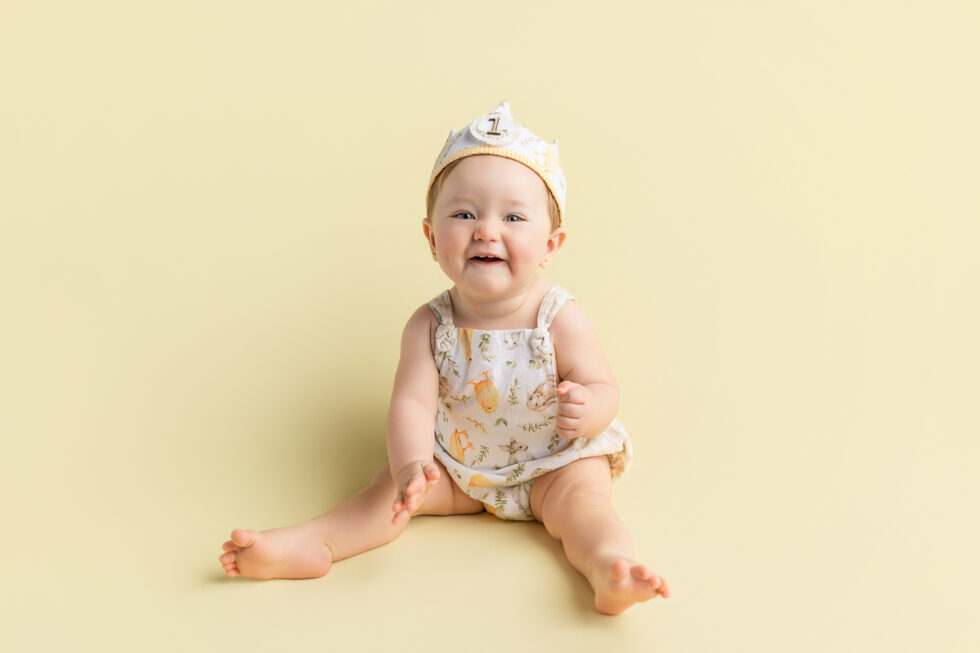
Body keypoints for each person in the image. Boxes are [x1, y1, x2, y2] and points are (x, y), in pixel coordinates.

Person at [218, 101, 671, 614]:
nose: (486, 230)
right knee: (388, 491)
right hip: (459, 467)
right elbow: (411, 405)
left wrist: (589, 407)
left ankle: (611, 568)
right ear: (433, 239)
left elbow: (604, 387)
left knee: (585, 506)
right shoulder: (429, 325)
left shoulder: (557, 316)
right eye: (463, 213)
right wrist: (413, 463)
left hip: (552, 463)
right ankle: (316, 542)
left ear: (551, 244)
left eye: (513, 217)